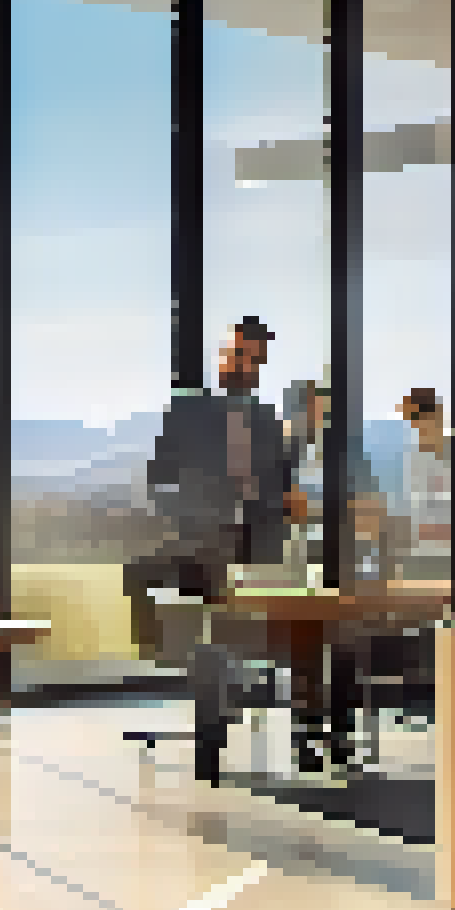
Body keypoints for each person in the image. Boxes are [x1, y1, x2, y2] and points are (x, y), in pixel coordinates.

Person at [123, 317, 301, 783]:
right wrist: (192, 514)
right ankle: (197, 672)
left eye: (250, 357)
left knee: (223, 633)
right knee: (141, 576)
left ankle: (221, 697)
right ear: (223, 354)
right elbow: (158, 479)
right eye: (234, 353)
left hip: (255, 544)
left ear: (261, 362)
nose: (239, 364)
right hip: (199, 537)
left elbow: (282, 491)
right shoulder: (188, 414)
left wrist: (282, 504)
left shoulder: (269, 423)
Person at [395, 387, 453, 582]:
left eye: (412, 417)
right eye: (408, 419)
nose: (411, 425)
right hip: (420, 555)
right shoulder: (411, 459)